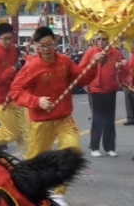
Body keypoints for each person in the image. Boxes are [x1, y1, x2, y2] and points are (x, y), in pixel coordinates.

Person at [8, 26, 104, 206]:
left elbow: (81, 79)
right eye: (42, 46)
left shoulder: (65, 61)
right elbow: (15, 91)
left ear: (55, 43)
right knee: (34, 162)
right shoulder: (31, 67)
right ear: (36, 46)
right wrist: (37, 101)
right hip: (41, 122)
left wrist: (93, 64)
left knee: (72, 150)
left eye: (49, 45)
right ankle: (24, 194)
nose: (46, 49)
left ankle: (58, 192)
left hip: (64, 119)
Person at [0, 22, 29, 150]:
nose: (8, 42)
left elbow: (17, 70)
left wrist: (22, 66)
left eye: (10, 38)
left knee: (25, 130)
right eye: (5, 39)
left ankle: (29, 158)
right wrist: (14, 68)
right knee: (12, 133)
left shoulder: (14, 50)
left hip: (14, 94)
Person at [80, 32, 123, 158]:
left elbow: (121, 68)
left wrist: (120, 67)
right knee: (98, 119)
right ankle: (94, 146)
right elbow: (81, 68)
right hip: (96, 89)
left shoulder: (115, 52)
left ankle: (110, 147)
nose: (101, 42)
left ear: (108, 40)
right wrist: (86, 81)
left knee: (110, 119)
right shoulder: (91, 52)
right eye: (98, 39)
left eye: (104, 39)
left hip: (111, 89)